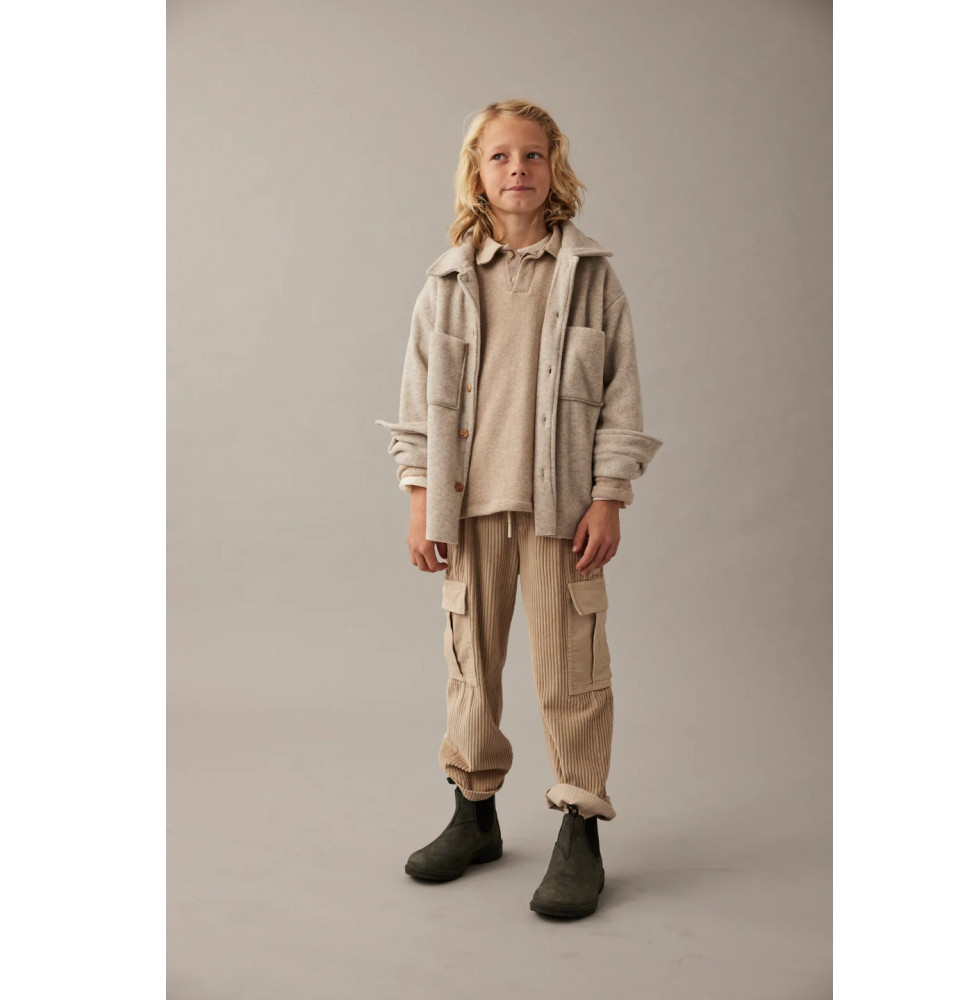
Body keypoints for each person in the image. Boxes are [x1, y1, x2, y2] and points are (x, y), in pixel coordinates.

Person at [374, 98, 663, 919]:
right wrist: (420, 500)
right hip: (468, 512)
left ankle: (580, 828)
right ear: (477, 172)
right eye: (500, 156)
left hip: (559, 512)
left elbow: (621, 399)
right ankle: (473, 814)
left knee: (573, 671)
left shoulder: (592, 278)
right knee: (470, 666)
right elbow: (416, 403)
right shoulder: (445, 283)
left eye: (532, 155)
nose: (517, 170)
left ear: (553, 167)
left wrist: (608, 497)